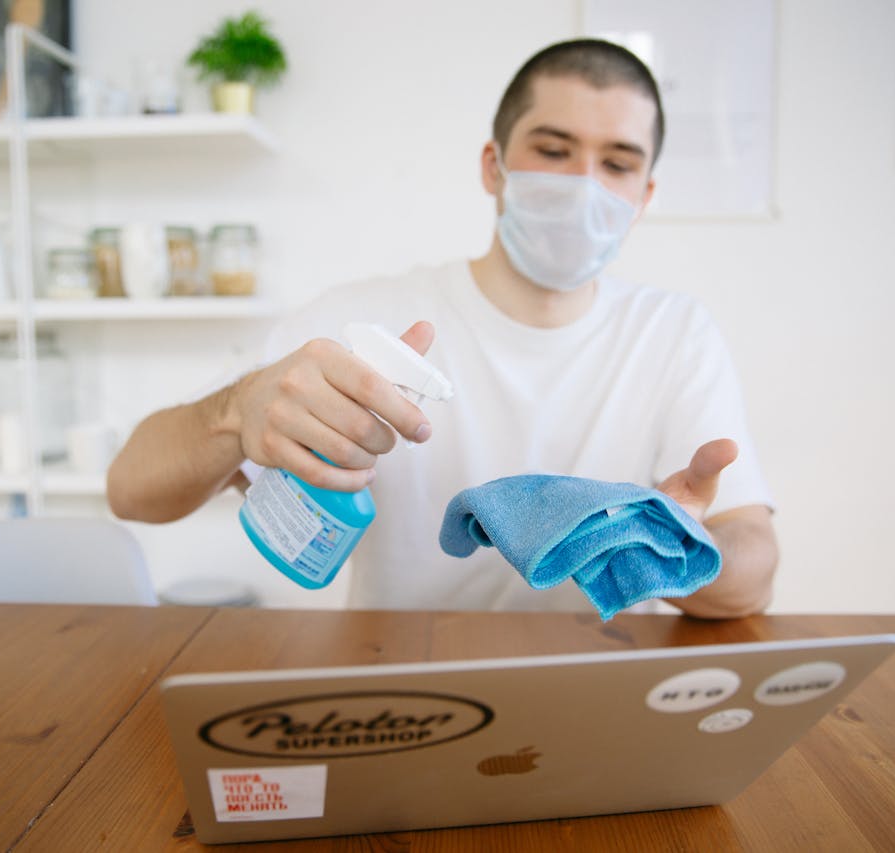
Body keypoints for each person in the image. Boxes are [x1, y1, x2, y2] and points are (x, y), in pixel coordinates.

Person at [108, 39, 778, 619]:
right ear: (494, 165)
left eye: (618, 164)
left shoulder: (674, 334)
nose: (584, 186)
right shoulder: (362, 323)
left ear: (646, 196)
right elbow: (131, 487)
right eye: (554, 149)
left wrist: (664, 547)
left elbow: (754, 577)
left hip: (592, 689)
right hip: (399, 684)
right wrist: (235, 412)